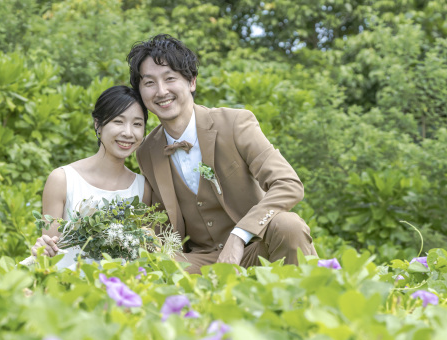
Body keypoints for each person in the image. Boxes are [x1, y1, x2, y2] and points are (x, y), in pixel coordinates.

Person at [127, 34, 316, 274]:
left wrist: (239, 235)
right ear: (141, 92)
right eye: (149, 82)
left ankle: (301, 306)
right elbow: (160, 221)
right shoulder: (146, 151)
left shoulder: (235, 123)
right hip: (200, 260)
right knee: (148, 264)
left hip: (254, 248)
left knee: (288, 225)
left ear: (192, 81)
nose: (161, 91)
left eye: (170, 78)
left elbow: (288, 184)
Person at [29, 86, 151, 268]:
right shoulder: (63, 180)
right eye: (118, 121)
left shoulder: (142, 188)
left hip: (120, 291)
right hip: (69, 289)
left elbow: (142, 254)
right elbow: (50, 252)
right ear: (98, 124)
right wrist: (43, 248)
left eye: (137, 124)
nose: (128, 132)